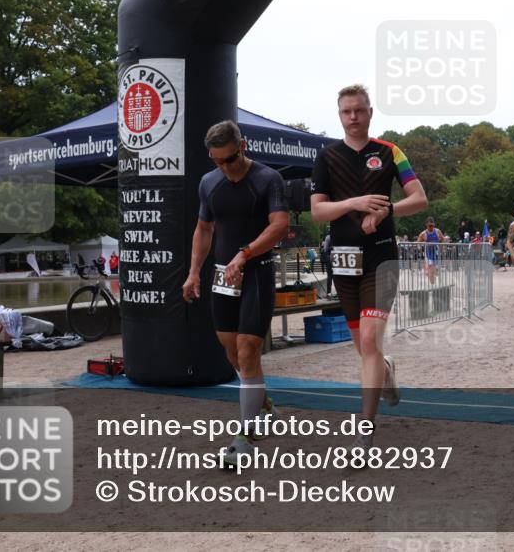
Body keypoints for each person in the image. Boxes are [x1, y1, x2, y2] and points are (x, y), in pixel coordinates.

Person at [310, 84, 428, 452]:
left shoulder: (389, 151)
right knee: (367, 350)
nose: (353, 117)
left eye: (359, 110)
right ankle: (386, 369)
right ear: (339, 114)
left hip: (381, 258)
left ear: (370, 112)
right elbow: (317, 212)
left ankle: (365, 430)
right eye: (347, 112)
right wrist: (355, 203)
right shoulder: (326, 157)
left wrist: (386, 210)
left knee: (367, 341)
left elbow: (419, 199)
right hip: (344, 263)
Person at [182, 119, 290, 464]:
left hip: (256, 272)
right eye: (216, 161)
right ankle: (266, 406)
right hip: (222, 278)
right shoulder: (208, 183)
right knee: (232, 354)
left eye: (228, 159)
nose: (223, 167)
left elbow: (279, 225)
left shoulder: (267, 179)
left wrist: (244, 254)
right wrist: (193, 272)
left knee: (247, 351)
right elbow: (203, 229)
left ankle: (244, 438)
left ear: (241, 147)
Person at [417, 217, 444, 284]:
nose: (431, 227)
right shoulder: (423, 233)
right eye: (429, 226)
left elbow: (443, 239)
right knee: (431, 267)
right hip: (428, 253)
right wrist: (420, 248)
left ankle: (431, 279)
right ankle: (432, 281)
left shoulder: (438, 231)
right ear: (426, 225)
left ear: (434, 224)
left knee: (434, 270)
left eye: (432, 225)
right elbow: (417, 242)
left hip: (436, 253)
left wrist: (442, 247)